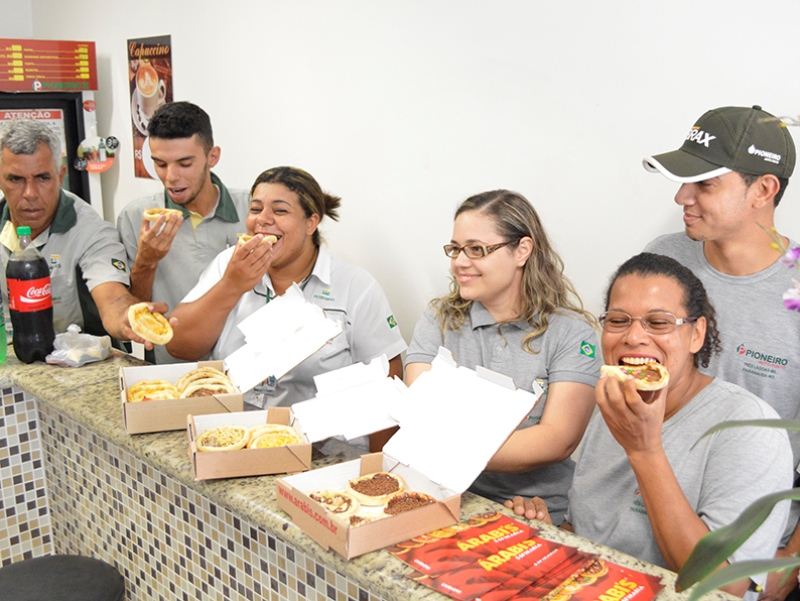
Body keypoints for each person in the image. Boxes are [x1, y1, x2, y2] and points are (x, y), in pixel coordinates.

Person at [508, 253, 793, 599]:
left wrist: (644, 449)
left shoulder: (749, 430)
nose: (633, 337)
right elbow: (587, 529)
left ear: (696, 334)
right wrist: (551, 534)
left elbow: (725, 586)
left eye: (658, 323)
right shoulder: (615, 402)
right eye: (618, 320)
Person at [642, 105, 800, 601]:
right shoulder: (663, 261)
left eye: (704, 184)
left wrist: (785, 566)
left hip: (740, 559)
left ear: (763, 190)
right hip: (640, 525)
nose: (680, 197)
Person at [166, 166, 406, 446]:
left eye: (280, 211)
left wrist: (377, 469)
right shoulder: (230, 263)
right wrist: (231, 286)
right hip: (235, 437)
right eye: (255, 209)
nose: (262, 220)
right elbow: (179, 346)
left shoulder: (356, 287)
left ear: (310, 223)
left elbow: (386, 383)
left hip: (321, 449)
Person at [404, 189, 601, 524]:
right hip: (444, 497)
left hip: (535, 509)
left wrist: (442, 446)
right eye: (455, 249)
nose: (459, 262)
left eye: (477, 249)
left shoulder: (571, 333)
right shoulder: (439, 319)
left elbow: (556, 439)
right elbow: (419, 415)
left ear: (522, 250)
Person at [0, 118, 163, 347]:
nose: (30, 193)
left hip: (83, 365)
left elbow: (112, 298)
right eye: (16, 179)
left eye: (42, 178)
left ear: (60, 176)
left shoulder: (91, 231)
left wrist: (126, 318)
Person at [116, 101, 249, 363]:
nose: (171, 177)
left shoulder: (253, 210)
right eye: (160, 164)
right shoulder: (135, 217)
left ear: (213, 157)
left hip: (246, 368)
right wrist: (146, 261)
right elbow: (133, 314)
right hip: (171, 371)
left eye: (184, 163)